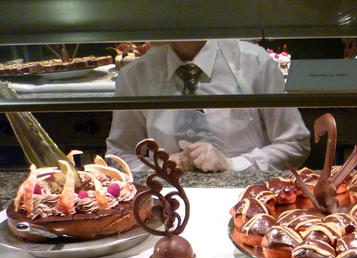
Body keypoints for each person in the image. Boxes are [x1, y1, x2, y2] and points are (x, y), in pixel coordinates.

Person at [106, 39, 310, 172]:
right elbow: (120, 156)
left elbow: (294, 144)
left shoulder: (254, 63)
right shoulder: (135, 75)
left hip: (247, 201)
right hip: (166, 206)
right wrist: (160, 169)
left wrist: (233, 165)